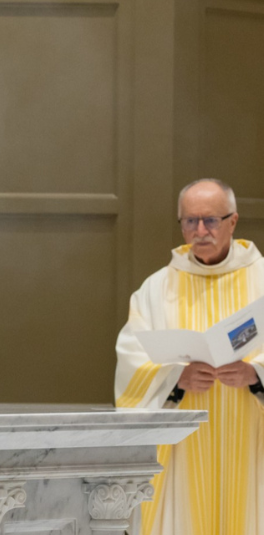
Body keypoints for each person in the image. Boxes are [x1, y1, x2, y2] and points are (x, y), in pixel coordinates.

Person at [115, 178, 264, 534]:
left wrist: (256, 374)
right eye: (189, 221)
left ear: (233, 221)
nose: (200, 230)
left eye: (210, 220)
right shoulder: (156, 288)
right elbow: (132, 358)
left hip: (251, 447)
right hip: (182, 452)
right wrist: (175, 377)